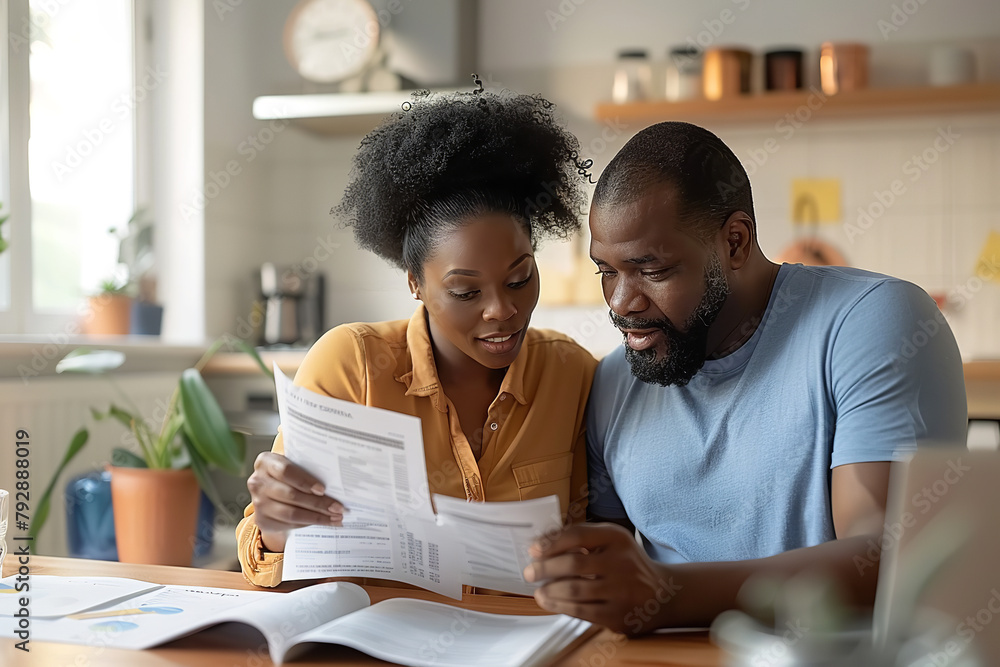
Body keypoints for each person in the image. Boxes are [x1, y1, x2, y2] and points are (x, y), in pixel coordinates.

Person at [523, 121, 968, 633]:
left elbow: (885, 558)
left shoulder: (872, 320)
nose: (622, 303)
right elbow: (610, 575)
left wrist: (668, 596)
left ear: (734, 242)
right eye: (607, 271)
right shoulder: (615, 381)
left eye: (653, 269)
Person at [236, 84, 597, 588]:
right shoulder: (352, 366)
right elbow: (267, 560)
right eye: (466, 292)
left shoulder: (572, 375)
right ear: (415, 282)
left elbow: (595, 537)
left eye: (519, 279)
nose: (503, 310)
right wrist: (275, 526)